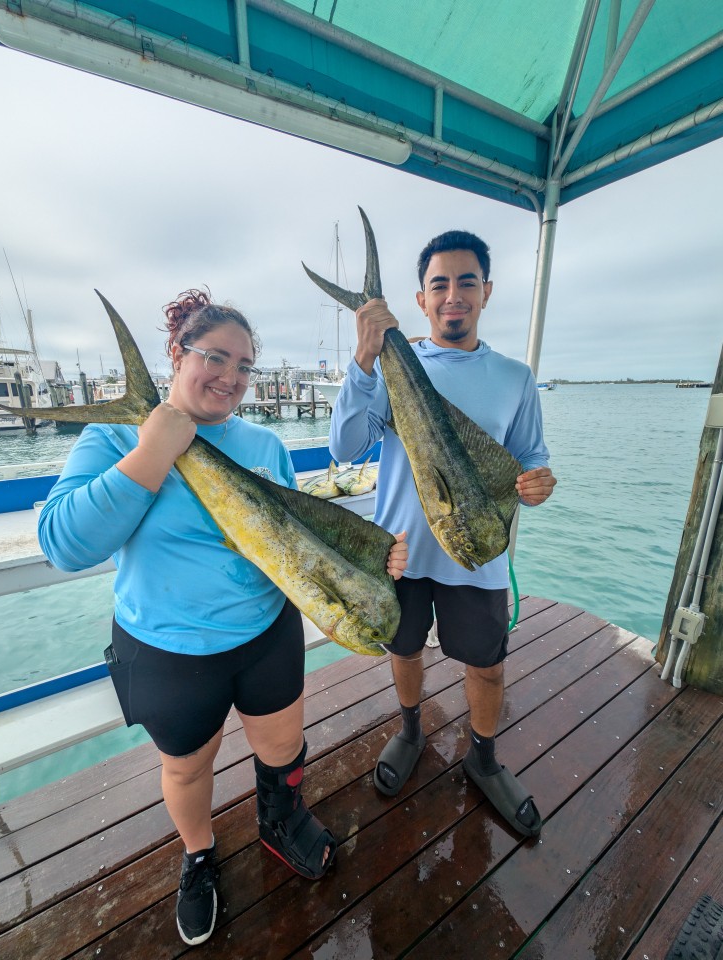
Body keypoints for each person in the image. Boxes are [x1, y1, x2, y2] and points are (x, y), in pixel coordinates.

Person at [38, 289, 408, 947]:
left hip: (265, 638)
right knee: (186, 768)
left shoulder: (263, 442)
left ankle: (281, 820)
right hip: (168, 650)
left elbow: (289, 536)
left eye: (244, 366)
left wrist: (366, 562)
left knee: (283, 748)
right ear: (178, 354)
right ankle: (200, 856)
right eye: (216, 357)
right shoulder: (117, 436)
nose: (231, 378)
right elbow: (65, 545)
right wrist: (153, 451)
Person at [328, 231, 557, 838]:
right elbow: (345, 447)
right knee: (403, 649)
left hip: (476, 559)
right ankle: (410, 731)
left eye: (465, 282)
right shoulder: (390, 369)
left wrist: (537, 484)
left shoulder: (515, 377)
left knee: (486, 664)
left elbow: (530, 458)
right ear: (421, 299)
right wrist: (363, 358)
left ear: (486, 291)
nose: (453, 295)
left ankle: (482, 758)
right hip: (399, 554)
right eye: (439, 284)